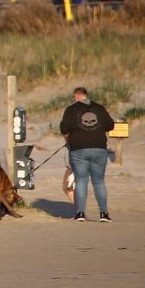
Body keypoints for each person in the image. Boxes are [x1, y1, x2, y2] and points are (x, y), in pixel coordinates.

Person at [59, 87, 116, 222]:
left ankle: (80, 213)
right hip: (99, 149)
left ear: (76, 96)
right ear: (86, 95)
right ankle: (104, 214)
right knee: (99, 182)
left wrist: (71, 135)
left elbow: (63, 128)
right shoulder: (99, 108)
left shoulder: (71, 109)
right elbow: (110, 125)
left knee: (81, 181)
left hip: (79, 150)